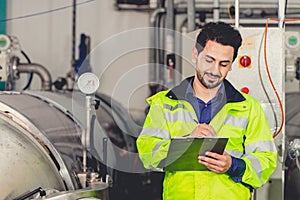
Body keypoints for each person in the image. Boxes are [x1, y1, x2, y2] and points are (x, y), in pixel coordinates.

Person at [136, 21, 277, 200]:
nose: (214, 70)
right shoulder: (163, 104)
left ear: (232, 64)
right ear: (195, 54)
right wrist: (185, 143)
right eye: (209, 60)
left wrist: (233, 165)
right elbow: (148, 154)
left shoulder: (249, 108)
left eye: (223, 64)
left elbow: (266, 161)